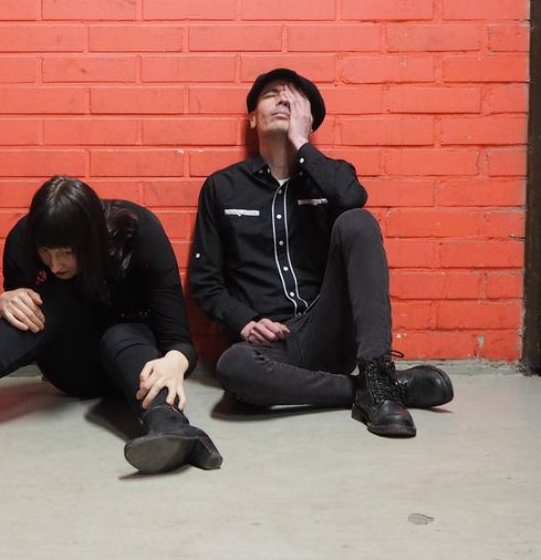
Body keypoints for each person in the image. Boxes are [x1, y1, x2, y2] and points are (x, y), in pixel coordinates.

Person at [189, 68, 454, 438]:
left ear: (308, 118)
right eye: (271, 94)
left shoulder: (332, 177)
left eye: (294, 98)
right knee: (233, 367)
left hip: (328, 329)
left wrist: (301, 142)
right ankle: (374, 389)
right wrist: (244, 320)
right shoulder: (222, 187)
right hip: (273, 347)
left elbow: (353, 200)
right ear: (252, 118)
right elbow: (205, 282)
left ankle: (375, 370)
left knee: (358, 221)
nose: (283, 100)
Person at [0, 175, 222, 473]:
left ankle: (168, 423)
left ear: (92, 239)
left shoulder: (139, 233)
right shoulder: (23, 239)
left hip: (135, 362)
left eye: (67, 252)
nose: (55, 265)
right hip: (71, 367)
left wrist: (176, 360)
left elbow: (178, 339)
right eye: (46, 252)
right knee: (48, 298)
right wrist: (8, 299)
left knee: (119, 334)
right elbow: (21, 328)